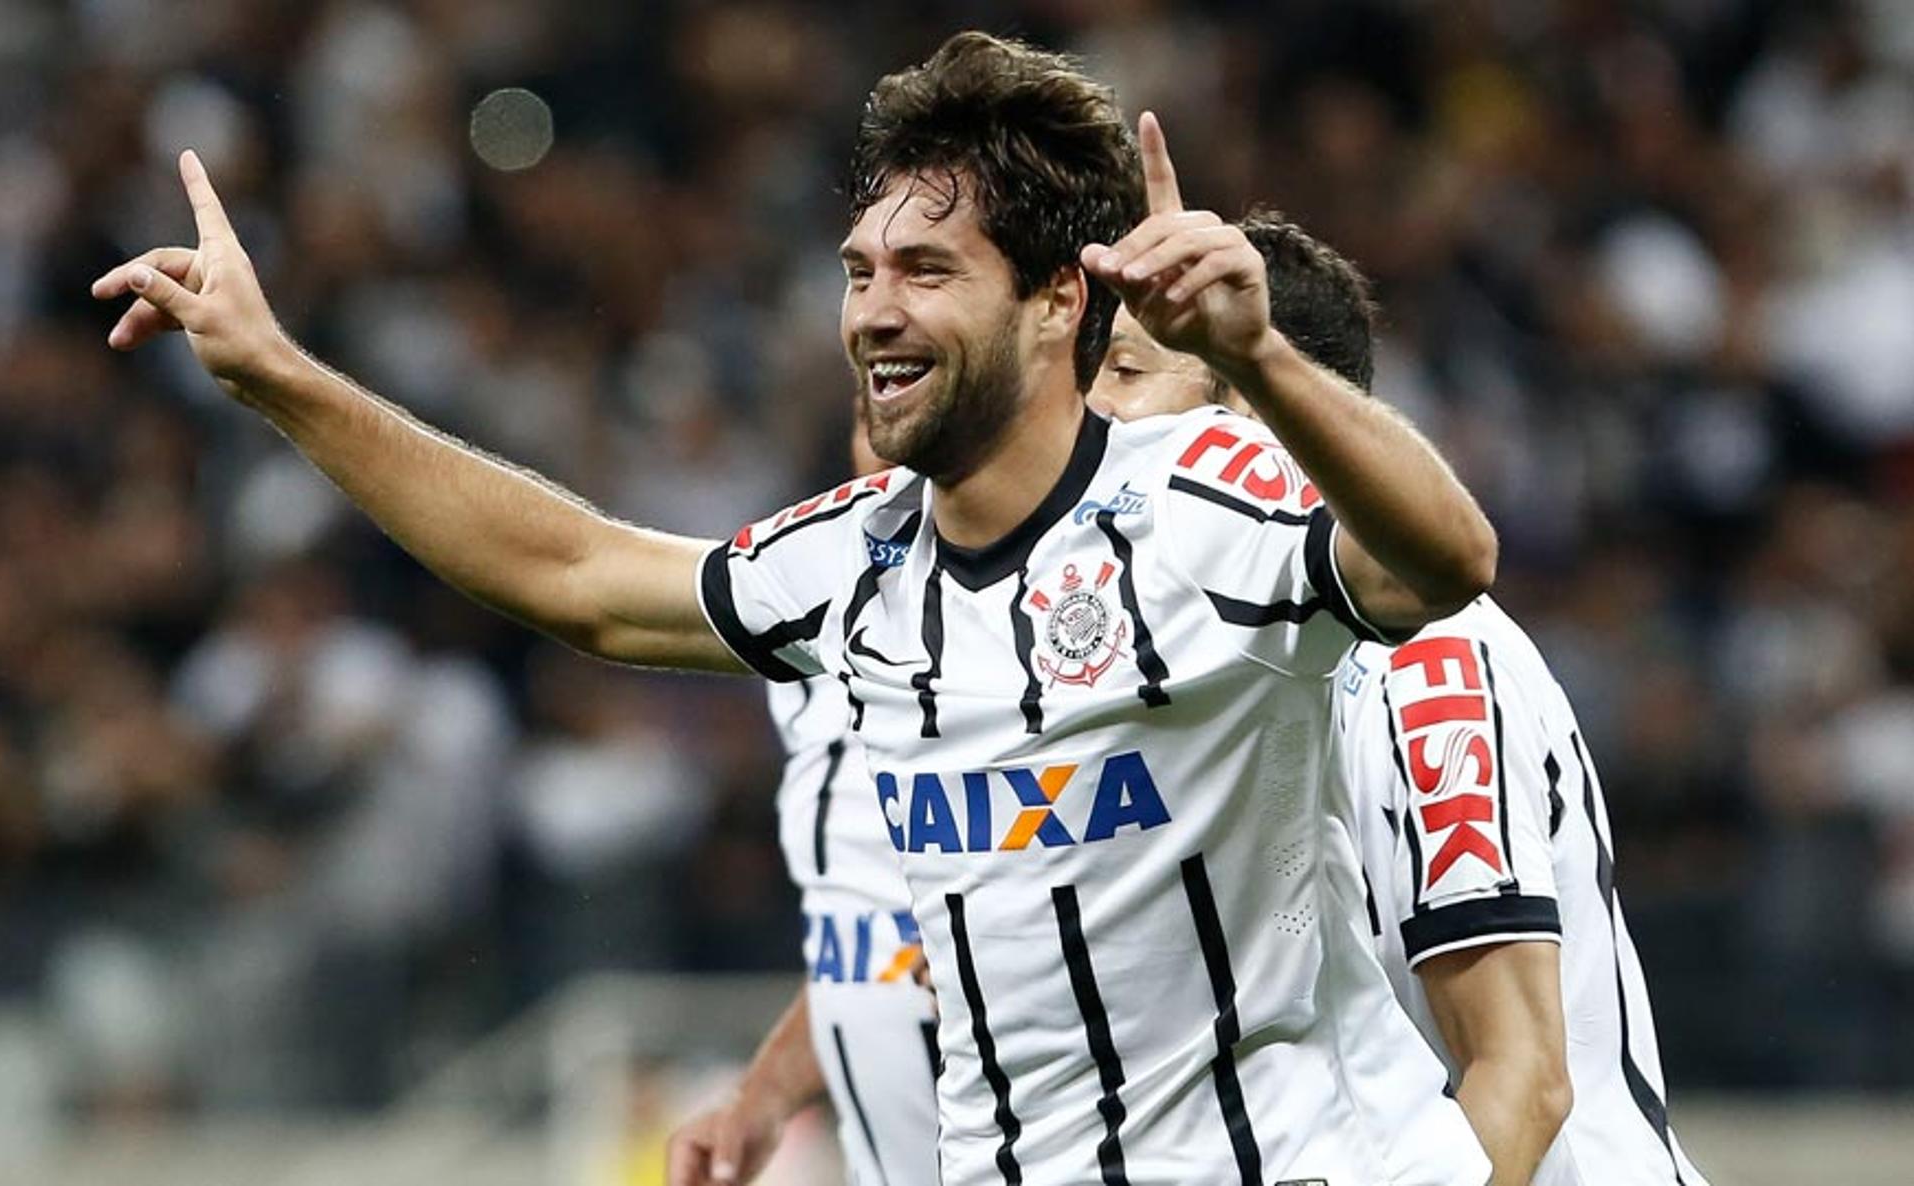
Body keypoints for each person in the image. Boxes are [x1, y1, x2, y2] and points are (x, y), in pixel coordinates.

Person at [94, 32, 1498, 1184]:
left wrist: (1260, 355)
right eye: (861, 271)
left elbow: (1442, 563)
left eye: (929, 272)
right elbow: (575, 575)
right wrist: (280, 375)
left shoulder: (1197, 495)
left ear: (1059, 299)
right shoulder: (859, 559)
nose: (873, 312)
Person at [1088, 209, 1709, 1186]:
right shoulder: (1213, 664)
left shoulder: (1424, 659)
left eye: (1124, 372)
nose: (1091, 410)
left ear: (1249, 408)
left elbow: (1523, 1077)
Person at [667, 422, 939, 1186]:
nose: (889, 426)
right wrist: (764, 1096)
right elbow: (862, 941)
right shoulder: (812, 613)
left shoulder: (1062, 625)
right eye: (873, 392)